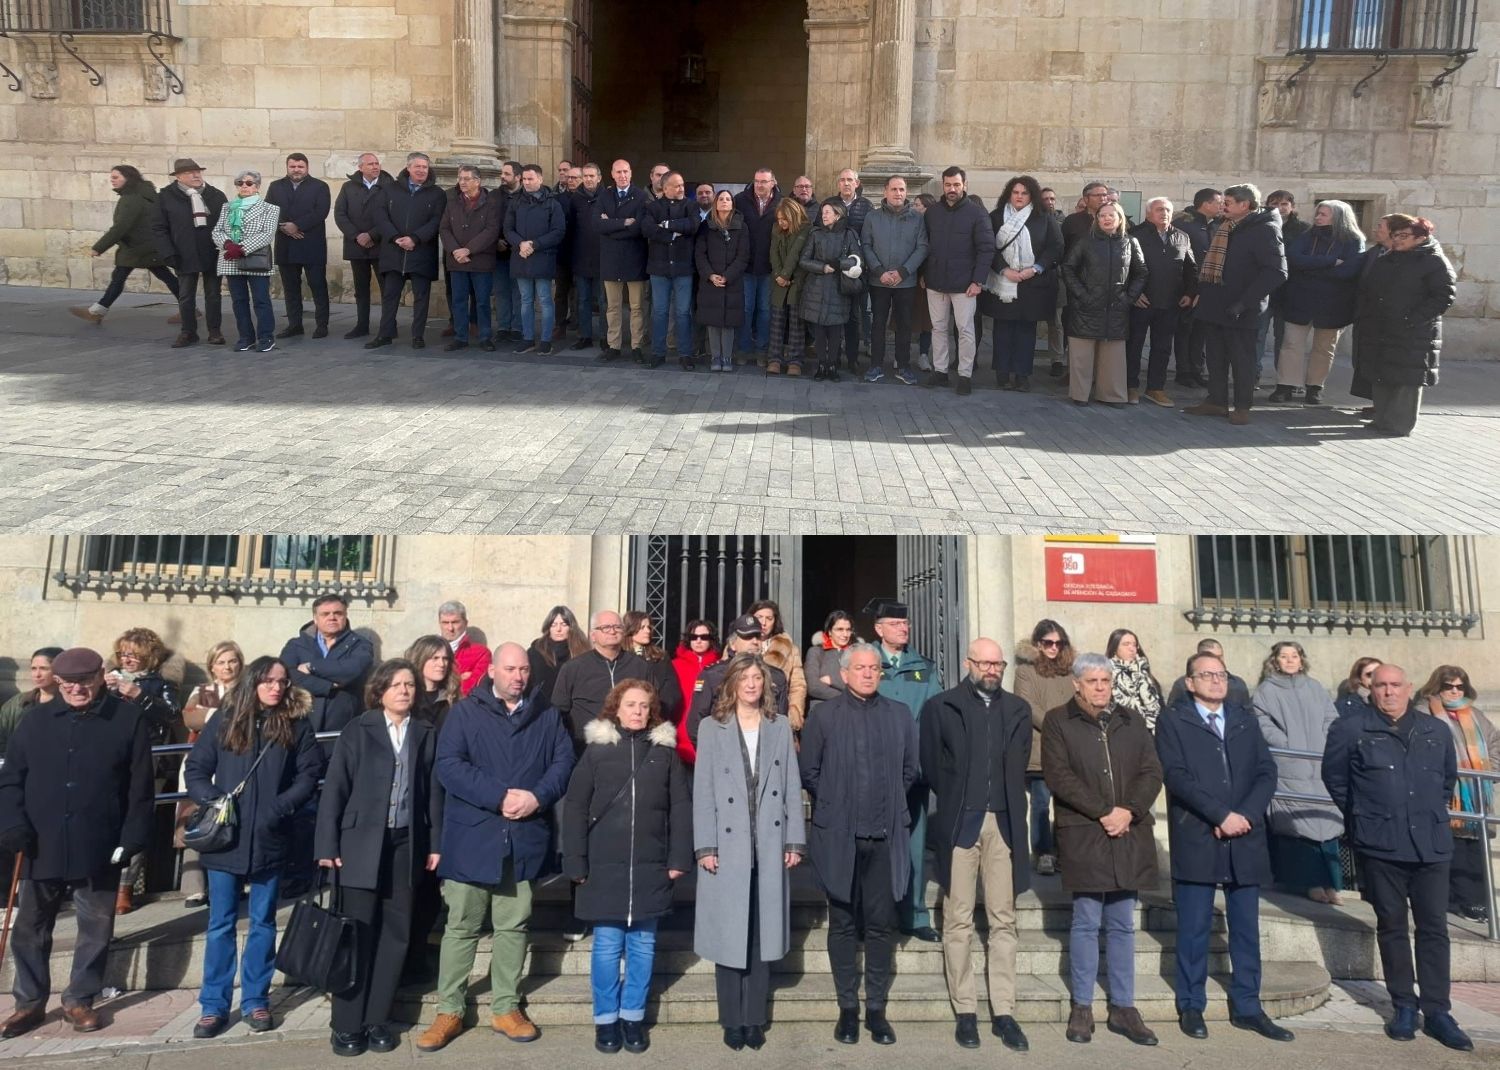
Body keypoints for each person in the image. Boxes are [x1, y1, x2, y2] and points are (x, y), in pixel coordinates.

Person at [416, 643, 575, 1052]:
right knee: (462, 926)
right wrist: (499, 796)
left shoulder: (547, 715)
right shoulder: (465, 713)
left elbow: (563, 763)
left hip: (522, 838)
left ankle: (505, 1006)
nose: (518, 676)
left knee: (513, 925)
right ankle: (449, 1009)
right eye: (510, 669)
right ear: (491, 671)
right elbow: (449, 766)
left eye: (523, 669)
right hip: (473, 836)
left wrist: (537, 797)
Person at [0, 647, 153, 1039]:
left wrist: (132, 837)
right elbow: (11, 779)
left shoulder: (127, 720)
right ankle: (29, 1003)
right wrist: (12, 824)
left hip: (98, 841)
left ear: (100, 676)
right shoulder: (35, 722)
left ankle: (79, 999)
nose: (75, 690)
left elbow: (140, 789)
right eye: (67, 684)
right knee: (30, 928)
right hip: (39, 841)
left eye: (83, 682)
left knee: (95, 926)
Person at [1323, 664, 1472, 1051]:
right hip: (1381, 844)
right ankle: (1404, 1005)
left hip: (1431, 844)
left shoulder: (1436, 730)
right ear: (1371, 689)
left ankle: (1438, 1011)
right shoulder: (1351, 728)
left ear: (1410, 689)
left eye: (1396, 685)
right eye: (1381, 685)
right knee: (1391, 926)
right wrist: (1366, 818)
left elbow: (1445, 780)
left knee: (1434, 928)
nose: (1389, 692)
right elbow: (1335, 778)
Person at [1155, 651, 1292, 1042]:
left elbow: (1267, 771)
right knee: (1194, 928)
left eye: (1222, 674)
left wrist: (1243, 815)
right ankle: (1191, 1004)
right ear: (1190, 682)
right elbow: (1176, 776)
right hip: (1199, 834)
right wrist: (1219, 815)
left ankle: (1248, 1006)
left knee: (1246, 929)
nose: (1216, 681)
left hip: (1245, 837)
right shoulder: (1173, 720)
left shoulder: (1244, 718)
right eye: (1207, 675)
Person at [185, 656, 323, 1038]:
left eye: (282, 681)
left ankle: (255, 1001)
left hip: (270, 836)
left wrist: (280, 807)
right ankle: (213, 1006)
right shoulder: (226, 719)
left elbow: (310, 773)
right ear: (253, 683)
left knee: (262, 923)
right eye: (268, 681)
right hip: (226, 838)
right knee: (221, 924)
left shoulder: (296, 723)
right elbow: (196, 768)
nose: (276, 688)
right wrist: (215, 801)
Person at [315, 659, 445, 1057]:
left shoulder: (425, 732)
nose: (404, 690)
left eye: (409, 684)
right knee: (357, 933)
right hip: (359, 844)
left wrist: (435, 842)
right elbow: (335, 786)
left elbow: (433, 791)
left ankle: (376, 1019)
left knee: (396, 934)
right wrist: (326, 846)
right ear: (380, 691)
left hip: (407, 844)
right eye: (396, 685)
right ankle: (347, 1024)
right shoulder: (360, 728)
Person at [1042, 653, 1163, 1046]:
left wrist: (1128, 810)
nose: (1100, 687)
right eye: (1092, 681)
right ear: (1076, 684)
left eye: (1105, 681)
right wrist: (1103, 812)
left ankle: (1124, 1008)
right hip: (1086, 833)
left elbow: (1152, 770)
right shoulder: (1060, 721)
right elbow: (1058, 776)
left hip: (1127, 831)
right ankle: (1082, 1006)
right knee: (1086, 919)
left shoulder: (1130, 719)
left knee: (1123, 923)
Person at [801, 644, 919, 1046]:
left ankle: (877, 1011)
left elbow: (909, 772)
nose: (868, 674)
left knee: (883, 925)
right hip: (841, 838)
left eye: (873, 668)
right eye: (860, 668)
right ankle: (847, 1009)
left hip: (885, 839)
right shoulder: (825, 716)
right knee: (844, 924)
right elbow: (810, 772)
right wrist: (838, 803)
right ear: (845, 673)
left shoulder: (899, 715)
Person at [564, 680, 691, 1054]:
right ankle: (606, 1019)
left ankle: (632, 1016)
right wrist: (575, 860)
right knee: (606, 946)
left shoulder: (664, 754)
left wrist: (678, 858)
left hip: (652, 865)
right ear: (615, 709)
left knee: (643, 946)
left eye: (643, 705)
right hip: (604, 866)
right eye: (630, 704)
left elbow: (681, 809)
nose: (637, 711)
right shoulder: (597, 753)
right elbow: (574, 808)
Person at [919, 639, 1033, 1052]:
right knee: (959, 918)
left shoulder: (1017, 709)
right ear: (968, 662)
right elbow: (931, 764)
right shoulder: (942, 707)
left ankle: (1004, 1011)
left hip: (1003, 823)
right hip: (961, 822)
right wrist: (954, 799)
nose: (990, 669)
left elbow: (1018, 763)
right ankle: (966, 1010)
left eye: (996, 663)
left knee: (1004, 919)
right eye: (983, 662)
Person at [693, 655, 804, 1051]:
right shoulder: (711, 727)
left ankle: (754, 1017)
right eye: (745, 677)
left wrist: (794, 840)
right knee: (729, 932)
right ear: (732, 682)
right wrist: (705, 845)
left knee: (761, 931)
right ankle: (731, 1019)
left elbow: (792, 785)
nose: (752, 684)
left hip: (770, 845)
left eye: (758, 677)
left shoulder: (778, 728)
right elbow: (703, 791)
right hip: (727, 846)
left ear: (767, 684)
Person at [868, 598, 941, 941]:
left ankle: (914, 914)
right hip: (872, 770)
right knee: (870, 845)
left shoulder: (923, 667)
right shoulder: (864, 662)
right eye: (896, 624)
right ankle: (870, 914)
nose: (904, 628)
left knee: (914, 843)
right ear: (879, 629)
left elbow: (934, 716)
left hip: (912, 770)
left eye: (906, 624)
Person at [1184, 183, 1287, 426]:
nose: (1223, 206)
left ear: (1245, 204)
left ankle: (1242, 407)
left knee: (1242, 361)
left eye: (1228, 202)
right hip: (1216, 305)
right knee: (1216, 358)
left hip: (1242, 310)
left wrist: (1244, 303)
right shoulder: (1227, 226)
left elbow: (1276, 272)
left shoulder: (1265, 229)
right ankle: (1216, 402)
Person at [1252, 641, 1344, 904]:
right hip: (1290, 764)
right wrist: (1285, 743)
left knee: (1325, 821)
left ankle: (1331, 884)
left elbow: (1331, 716)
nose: (1290, 660)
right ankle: (1308, 883)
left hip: (1320, 762)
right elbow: (1261, 722)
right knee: (1298, 825)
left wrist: (1326, 741)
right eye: (1284, 656)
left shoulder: (1314, 687)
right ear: (1275, 661)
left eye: (1295, 656)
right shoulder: (1266, 690)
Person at [1354, 214, 1456, 437]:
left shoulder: (1433, 261)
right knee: (1382, 374)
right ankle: (1381, 419)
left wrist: (1414, 319)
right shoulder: (1387, 258)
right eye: (1395, 235)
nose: (1398, 240)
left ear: (1420, 237)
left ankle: (1399, 424)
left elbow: (1443, 296)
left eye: (1404, 236)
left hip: (1413, 331)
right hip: (1382, 327)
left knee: (1406, 379)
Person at [106, 627, 181, 915]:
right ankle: (103, 881)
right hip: (111, 756)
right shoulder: (105, 678)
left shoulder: (158, 683)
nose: (127, 660)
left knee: (136, 821)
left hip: (148, 758)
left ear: (148, 657)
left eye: (134, 655)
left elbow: (172, 714)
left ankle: (125, 887)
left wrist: (137, 694)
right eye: (123, 654)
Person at [1418, 665, 1499, 924]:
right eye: (1448, 686)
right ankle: (1466, 902)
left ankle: (1478, 902)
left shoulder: (1473, 713)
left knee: (1476, 850)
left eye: (1459, 686)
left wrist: (1488, 770)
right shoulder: (1424, 711)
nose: (1454, 691)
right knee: (1455, 850)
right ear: (1437, 687)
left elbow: (1495, 742)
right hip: (1445, 793)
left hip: (1476, 793)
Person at [1270, 200, 1365, 405]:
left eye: (1323, 214)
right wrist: (1329, 261)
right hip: (1300, 298)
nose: (1318, 217)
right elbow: (1294, 259)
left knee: (1324, 347)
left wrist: (1310, 269)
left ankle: (1315, 387)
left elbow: (1348, 270)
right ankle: (1286, 385)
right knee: (1291, 344)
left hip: (1333, 302)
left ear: (1338, 217)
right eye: (1318, 213)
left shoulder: (1353, 240)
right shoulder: (1307, 235)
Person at [177, 641, 244, 909]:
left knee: (235, 821)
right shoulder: (205, 690)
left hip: (237, 762)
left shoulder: (247, 690)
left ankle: (239, 882)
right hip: (204, 763)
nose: (227, 667)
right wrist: (224, 714)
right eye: (221, 662)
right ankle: (194, 887)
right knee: (196, 821)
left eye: (232, 661)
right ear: (212, 666)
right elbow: (190, 718)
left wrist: (212, 714)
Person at [71, 165, 179, 329]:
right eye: (111, 177)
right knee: (161, 276)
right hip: (144, 246)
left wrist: (99, 247)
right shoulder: (144, 194)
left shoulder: (131, 199)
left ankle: (97, 311)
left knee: (121, 278)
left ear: (127, 178)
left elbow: (121, 227)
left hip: (138, 248)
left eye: (116, 177)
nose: (111, 180)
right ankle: (190, 308)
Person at [981, 174, 1062, 392]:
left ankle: (1022, 375)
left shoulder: (1044, 217)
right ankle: (1002, 374)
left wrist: (1035, 269)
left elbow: (1055, 247)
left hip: (1032, 284)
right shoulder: (996, 217)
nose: (1019, 196)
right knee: (1003, 330)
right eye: (1015, 192)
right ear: (1009, 194)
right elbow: (988, 247)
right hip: (1003, 282)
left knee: (1026, 332)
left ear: (1032, 196)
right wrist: (1004, 269)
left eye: (1024, 193)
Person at [553, 610, 681, 748]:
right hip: (585, 748)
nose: (612, 631)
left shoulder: (640, 666)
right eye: (605, 627)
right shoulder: (573, 668)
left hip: (631, 746)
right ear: (593, 635)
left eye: (617, 627)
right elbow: (558, 711)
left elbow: (654, 704)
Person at [1061, 201, 1146, 407]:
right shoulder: (1085, 241)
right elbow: (1068, 268)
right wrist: (1082, 295)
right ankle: (1080, 394)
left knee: (1113, 358)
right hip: (1086, 308)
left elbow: (1141, 272)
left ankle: (1112, 395)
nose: (1106, 219)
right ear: (1096, 220)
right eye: (1102, 216)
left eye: (1111, 215)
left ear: (1120, 218)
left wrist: (1129, 298)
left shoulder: (1131, 242)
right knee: (1082, 355)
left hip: (1116, 308)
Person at [922, 166, 995, 395]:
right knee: (938, 328)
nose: (952, 189)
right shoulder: (932, 212)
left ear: (964, 185)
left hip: (965, 285)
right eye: (947, 185)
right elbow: (925, 245)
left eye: (956, 184)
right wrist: (924, 273)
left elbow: (986, 249)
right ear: (942, 186)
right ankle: (940, 371)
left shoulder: (977, 213)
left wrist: (978, 281)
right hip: (935, 281)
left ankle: (965, 375)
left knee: (965, 330)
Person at [1012, 620, 1075, 876]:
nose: (1053, 648)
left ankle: (1065, 852)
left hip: (1070, 747)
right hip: (1041, 747)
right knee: (1040, 801)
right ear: (1038, 644)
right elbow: (1026, 705)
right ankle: (1043, 852)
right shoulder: (1025, 671)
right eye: (1048, 643)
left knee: (1068, 802)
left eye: (1058, 643)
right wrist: (1057, 728)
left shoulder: (1070, 672)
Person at [367, 152, 445, 351]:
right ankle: (384, 334)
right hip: (394, 251)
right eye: (417, 167)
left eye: (425, 167)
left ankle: (417, 335)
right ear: (408, 168)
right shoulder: (389, 190)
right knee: (390, 296)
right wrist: (395, 237)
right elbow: (380, 216)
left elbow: (436, 221)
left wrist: (415, 238)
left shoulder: (437, 194)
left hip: (421, 251)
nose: (421, 170)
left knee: (421, 297)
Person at [1127, 197, 1197, 406]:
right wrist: (1134, 293)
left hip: (1170, 303)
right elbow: (1125, 268)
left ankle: (1155, 388)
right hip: (1141, 302)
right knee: (1134, 346)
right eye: (1158, 210)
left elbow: (1191, 268)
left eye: (1167, 210)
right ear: (1149, 213)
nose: (1163, 213)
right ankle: (1130, 386)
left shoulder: (1182, 237)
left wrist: (1191, 292)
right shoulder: (1135, 235)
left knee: (1162, 347)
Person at [861, 175, 929, 386]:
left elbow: (922, 247)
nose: (898, 193)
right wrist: (879, 270)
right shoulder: (872, 217)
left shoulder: (917, 218)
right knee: (878, 324)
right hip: (878, 280)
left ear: (906, 192)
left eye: (901, 190)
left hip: (905, 282)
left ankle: (903, 366)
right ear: (885, 192)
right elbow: (866, 245)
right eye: (894, 189)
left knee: (904, 325)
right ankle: (876, 365)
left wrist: (903, 272)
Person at [152, 158, 227, 347]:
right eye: (188, 173)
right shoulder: (166, 197)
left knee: (213, 294)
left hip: (212, 251)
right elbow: (159, 228)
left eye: (198, 172)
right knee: (186, 295)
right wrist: (168, 252)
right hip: (183, 253)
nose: (195, 175)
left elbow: (226, 224)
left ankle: (215, 331)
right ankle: (188, 332)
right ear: (178, 177)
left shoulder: (215, 195)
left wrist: (225, 246)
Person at [280, 594, 376, 734]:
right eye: (325, 614)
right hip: (302, 721)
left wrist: (311, 666)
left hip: (343, 725)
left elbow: (352, 670)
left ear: (345, 615)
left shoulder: (360, 645)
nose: (332, 617)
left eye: (338, 613)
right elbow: (288, 675)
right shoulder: (296, 645)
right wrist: (329, 686)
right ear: (315, 618)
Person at [687, 615, 790, 744]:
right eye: (747, 637)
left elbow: (781, 723)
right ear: (732, 644)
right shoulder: (713, 675)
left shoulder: (776, 676)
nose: (754, 641)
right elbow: (696, 725)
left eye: (758, 636)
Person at [212, 169, 281, 353]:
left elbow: (267, 234)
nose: (244, 186)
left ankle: (266, 337)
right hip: (230, 259)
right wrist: (227, 244)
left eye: (249, 183)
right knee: (239, 301)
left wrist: (241, 248)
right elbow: (217, 230)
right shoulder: (227, 207)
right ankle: (246, 337)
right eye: (240, 183)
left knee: (261, 300)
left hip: (255, 259)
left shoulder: (270, 209)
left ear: (257, 187)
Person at [264, 152, 331, 339]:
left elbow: (321, 212)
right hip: (286, 244)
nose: (296, 170)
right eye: (293, 166)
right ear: (287, 167)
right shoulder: (276, 186)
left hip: (311, 244)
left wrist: (298, 225)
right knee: (290, 287)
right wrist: (285, 227)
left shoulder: (320, 186)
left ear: (307, 168)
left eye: (300, 166)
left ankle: (322, 324)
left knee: (317, 285)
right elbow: (270, 210)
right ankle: (295, 324)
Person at [503, 163, 567, 355]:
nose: (527, 182)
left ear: (540, 179)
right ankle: (528, 338)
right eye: (524, 179)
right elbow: (507, 229)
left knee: (546, 300)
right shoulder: (515, 202)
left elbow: (558, 231)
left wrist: (535, 244)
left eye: (531, 179)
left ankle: (546, 340)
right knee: (525, 300)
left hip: (543, 257)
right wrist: (521, 244)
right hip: (521, 256)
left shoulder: (553, 203)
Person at [333, 152, 395, 340]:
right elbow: (340, 214)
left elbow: (392, 214)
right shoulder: (348, 187)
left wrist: (372, 234)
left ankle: (389, 326)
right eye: (370, 164)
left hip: (381, 244)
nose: (375, 167)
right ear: (360, 167)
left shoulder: (389, 187)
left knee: (387, 288)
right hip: (356, 245)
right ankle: (362, 325)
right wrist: (356, 235)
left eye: (377, 163)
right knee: (361, 288)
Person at [642, 171, 700, 370]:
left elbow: (693, 225)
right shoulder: (653, 207)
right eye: (676, 186)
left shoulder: (691, 205)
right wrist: (674, 235)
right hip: (659, 268)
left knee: (683, 313)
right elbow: (647, 229)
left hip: (683, 268)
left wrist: (667, 225)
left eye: (682, 185)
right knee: (659, 312)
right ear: (665, 188)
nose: (681, 188)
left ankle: (685, 354)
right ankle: (658, 353)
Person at [440, 164, 501, 352]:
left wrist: (468, 250)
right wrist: (455, 250)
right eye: (460, 178)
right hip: (457, 261)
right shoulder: (453, 202)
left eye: (466, 179)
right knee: (458, 300)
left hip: (480, 261)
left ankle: (484, 337)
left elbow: (491, 231)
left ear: (477, 181)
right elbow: (444, 228)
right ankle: (460, 337)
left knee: (482, 301)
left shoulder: (491, 203)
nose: (462, 182)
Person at [799, 201, 862, 382]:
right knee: (818, 329)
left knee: (835, 330)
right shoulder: (815, 234)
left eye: (828, 212)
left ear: (838, 215)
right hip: (816, 288)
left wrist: (839, 264)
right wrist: (822, 267)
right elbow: (804, 260)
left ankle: (833, 365)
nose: (824, 215)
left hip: (838, 287)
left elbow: (857, 260)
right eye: (823, 212)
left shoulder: (849, 235)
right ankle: (821, 364)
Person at [598, 159, 650, 362]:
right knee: (613, 306)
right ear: (612, 173)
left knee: (636, 307)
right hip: (611, 260)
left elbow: (638, 228)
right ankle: (614, 345)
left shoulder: (640, 196)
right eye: (618, 172)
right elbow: (596, 224)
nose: (622, 175)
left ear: (631, 173)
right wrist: (623, 223)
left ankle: (637, 346)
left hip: (634, 258)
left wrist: (610, 224)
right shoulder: (605, 195)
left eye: (626, 171)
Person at [695, 189, 750, 373]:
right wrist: (710, 275)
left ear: (733, 204)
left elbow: (743, 256)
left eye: (728, 199)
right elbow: (699, 255)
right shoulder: (706, 226)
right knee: (713, 321)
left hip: (732, 281)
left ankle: (727, 357)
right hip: (710, 282)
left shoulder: (742, 226)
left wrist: (728, 275)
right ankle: (715, 357)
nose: (724, 202)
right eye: (721, 199)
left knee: (729, 321)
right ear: (715, 203)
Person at [1172, 188, 1223, 387]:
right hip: (1187, 288)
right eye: (1218, 202)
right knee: (1185, 331)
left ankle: (1196, 369)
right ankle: (1183, 371)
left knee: (1201, 332)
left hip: (1210, 290)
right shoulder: (1184, 225)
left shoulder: (1218, 226)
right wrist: (1191, 290)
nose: (1221, 206)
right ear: (1205, 204)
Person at [732, 168, 781, 360]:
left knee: (765, 310)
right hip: (746, 266)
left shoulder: (781, 202)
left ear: (773, 183)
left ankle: (762, 350)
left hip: (769, 268)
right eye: (757, 181)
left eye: (764, 181)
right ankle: (743, 349)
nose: (759, 185)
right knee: (746, 309)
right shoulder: (741, 200)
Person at [825, 169, 873, 365]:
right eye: (842, 180)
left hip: (856, 268)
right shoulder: (830, 204)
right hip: (834, 266)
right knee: (835, 315)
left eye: (850, 180)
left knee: (855, 315)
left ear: (857, 183)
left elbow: (870, 236)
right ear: (838, 184)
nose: (846, 183)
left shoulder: (867, 206)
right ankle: (833, 357)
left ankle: (852, 359)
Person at [1349, 216, 1392, 407]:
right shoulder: (1375, 252)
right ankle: (1375, 403)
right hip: (1367, 316)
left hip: (1387, 319)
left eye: (1380, 227)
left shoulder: (1401, 257)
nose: (1375, 230)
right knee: (1367, 361)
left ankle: (1383, 406)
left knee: (1385, 363)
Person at [767, 195, 811, 376]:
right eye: (779, 219)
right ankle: (775, 359)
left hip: (797, 281)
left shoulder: (806, 229)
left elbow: (796, 253)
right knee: (776, 321)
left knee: (796, 323)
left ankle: (795, 360)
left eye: (784, 219)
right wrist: (778, 274)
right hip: (779, 281)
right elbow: (773, 252)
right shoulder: (776, 229)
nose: (781, 222)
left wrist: (786, 275)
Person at [564, 163, 604, 351]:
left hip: (603, 258)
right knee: (583, 300)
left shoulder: (607, 197)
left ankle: (606, 337)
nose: (588, 179)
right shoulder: (575, 199)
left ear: (599, 177)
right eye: (585, 176)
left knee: (604, 302)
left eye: (591, 176)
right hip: (580, 258)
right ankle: (585, 336)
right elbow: (570, 229)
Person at [671, 619, 720, 764]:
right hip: (682, 735)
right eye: (694, 637)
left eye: (704, 637)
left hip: (713, 732)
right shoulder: (675, 665)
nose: (698, 641)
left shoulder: (720, 666)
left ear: (711, 640)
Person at [0, 647, 63, 757]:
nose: (37, 674)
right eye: (33, 668)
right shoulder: (18, 703)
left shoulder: (72, 703)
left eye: (43, 668)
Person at [622, 610, 684, 720]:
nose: (647, 631)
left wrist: (656, 711)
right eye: (642, 627)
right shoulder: (620, 656)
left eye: (649, 627)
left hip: (656, 716)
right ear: (630, 629)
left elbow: (672, 691)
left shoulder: (660, 657)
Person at [527, 605, 588, 709]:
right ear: (548, 628)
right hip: (541, 711)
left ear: (571, 627)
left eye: (563, 624)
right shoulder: (535, 653)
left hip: (573, 712)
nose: (558, 629)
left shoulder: (583, 652)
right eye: (554, 625)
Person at [1166, 638, 1252, 709]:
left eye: (1220, 656)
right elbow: (1173, 712)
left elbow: (1248, 713)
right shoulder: (1182, 685)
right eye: (1212, 656)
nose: (1218, 661)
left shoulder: (1237, 684)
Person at [1106, 628, 1162, 730]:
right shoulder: (1106, 675)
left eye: (1134, 644)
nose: (1132, 648)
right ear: (1114, 648)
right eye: (1126, 644)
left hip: (1151, 733)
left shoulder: (1146, 674)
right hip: (1122, 730)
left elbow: (1161, 706)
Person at [491, 161, 522, 342]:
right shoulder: (494, 196)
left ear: (517, 177)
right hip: (499, 251)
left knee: (519, 292)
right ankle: (503, 327)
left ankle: (518, 327)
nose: (502, 177)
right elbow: (488, 221)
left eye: (507, 174)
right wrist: (495, 240)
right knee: (501, 291)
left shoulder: (526, 196)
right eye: (502, 173)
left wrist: (516, 242)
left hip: (519, 251)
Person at [805, 610, 856, 715]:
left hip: (851, 713)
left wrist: (832, 680)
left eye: (848, 630)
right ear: (829, 631)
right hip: (823, 712)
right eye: (839, 629)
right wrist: (848, 697)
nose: (845, 634)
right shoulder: (817, 652)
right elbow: (813, 687)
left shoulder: (856, 654)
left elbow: (859, 685)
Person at [405, 634, 461, 729]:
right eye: (435, 658)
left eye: (445, 658)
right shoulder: (407, 696)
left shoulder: (453, 698)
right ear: (420, 659)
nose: (441, 664)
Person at [437, 599, 491, 695]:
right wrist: (458, 678)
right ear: (440, 623)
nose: (450, 628)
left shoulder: (481, 653)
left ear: (465, 623)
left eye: (455, 622)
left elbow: (472, 689)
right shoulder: (427, 649)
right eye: (445, 623)